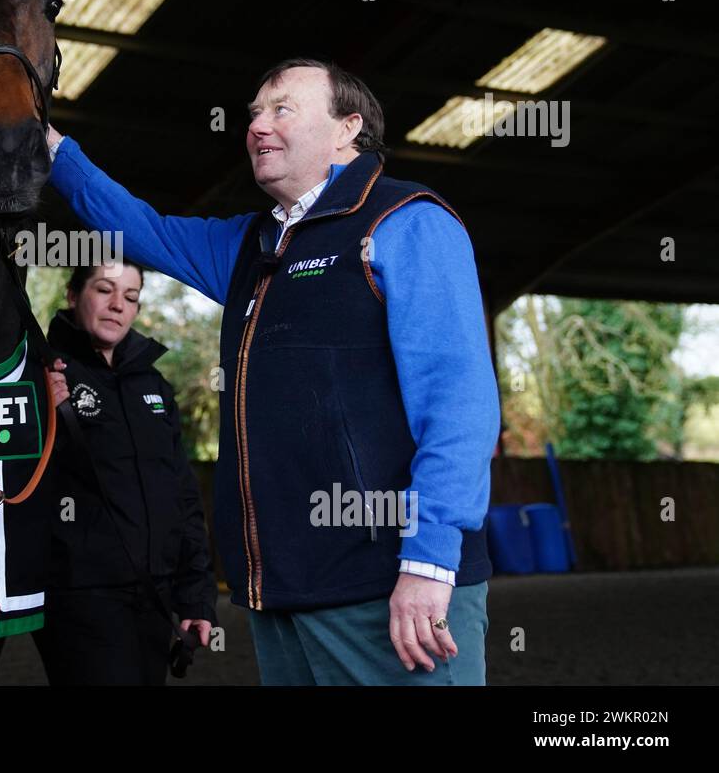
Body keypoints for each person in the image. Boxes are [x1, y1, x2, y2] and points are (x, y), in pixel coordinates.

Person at [44, 58, 498, 685]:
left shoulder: (407, 221)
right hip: (279, 593)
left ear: (348, 129)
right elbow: (139, 229)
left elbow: (460, 405)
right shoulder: (250, 245)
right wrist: (45, 143)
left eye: (283, 108)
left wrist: (429, 562)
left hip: (388, 587)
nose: (258, 124)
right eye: (255, 112)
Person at [36, 259, 218, 685]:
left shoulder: (154, 386)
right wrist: (39, 419)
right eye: (104, 290)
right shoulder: (40, 377)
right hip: (81, 595)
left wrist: (195, 599)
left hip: (153, 596)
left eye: (131, 297)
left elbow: (183, 497)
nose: (118, 305)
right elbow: (10, 485)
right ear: (73, 295)